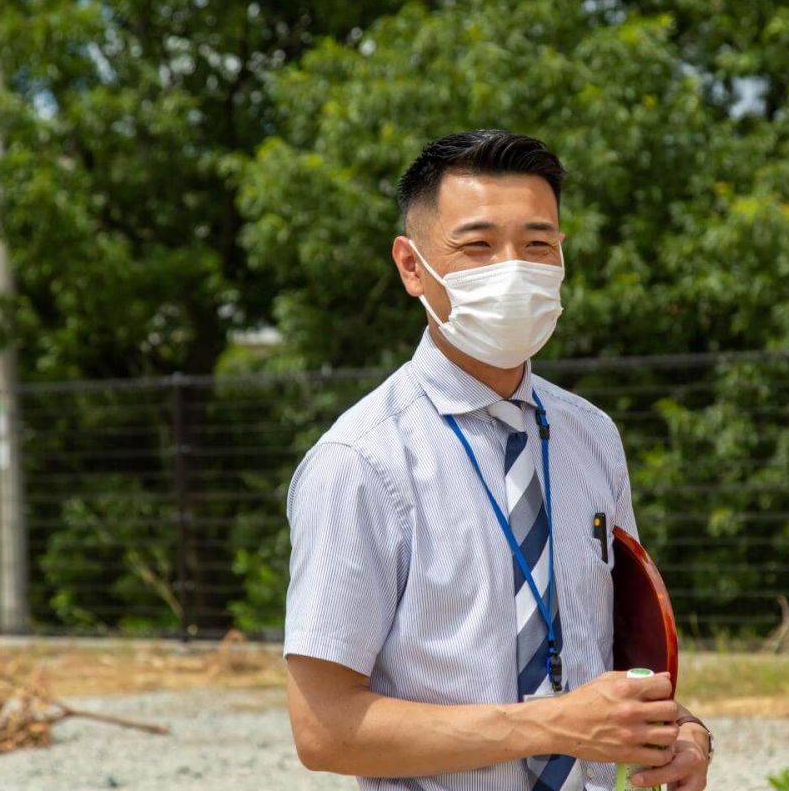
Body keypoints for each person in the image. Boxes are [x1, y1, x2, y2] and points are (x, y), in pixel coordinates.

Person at [282, 129, 713, 791]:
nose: (512, 268)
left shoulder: (592, 436)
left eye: (537, 245)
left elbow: (617, 655)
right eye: (477, 246)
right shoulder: (360, 463)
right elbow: (324, 730)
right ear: (411, 265)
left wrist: (682, 731)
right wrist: (553, 727)